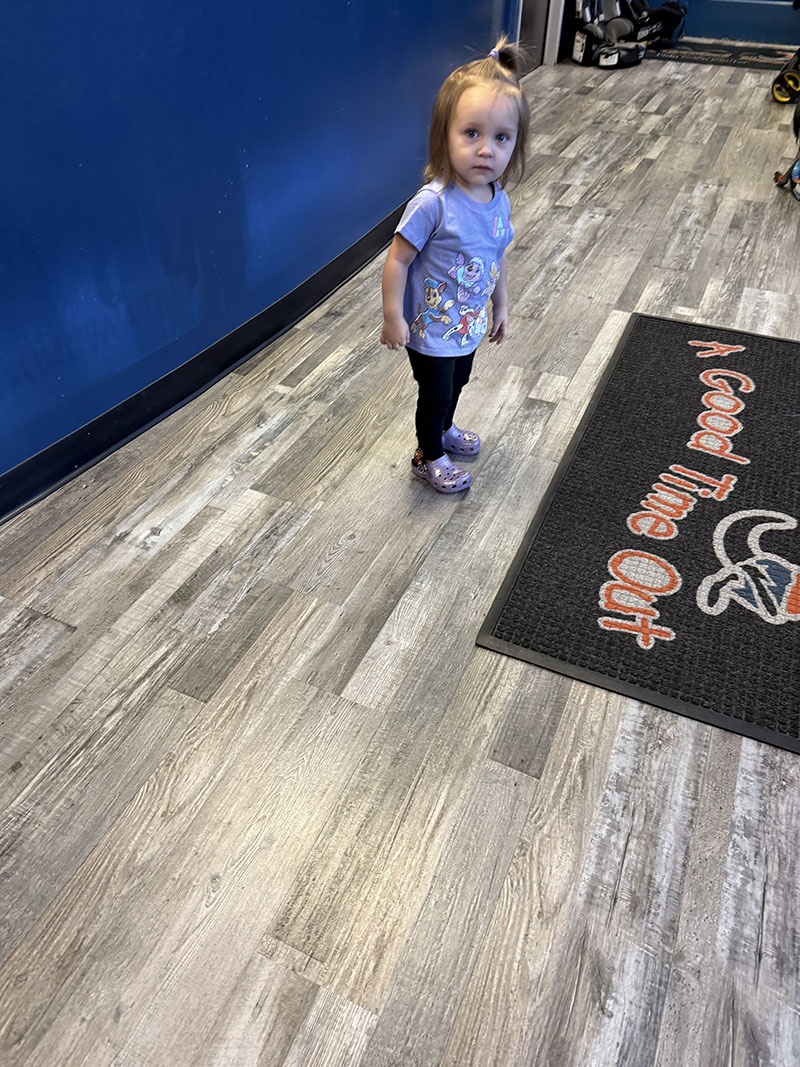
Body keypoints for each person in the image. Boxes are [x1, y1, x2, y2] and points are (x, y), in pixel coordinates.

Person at [380, 38, 530, 493]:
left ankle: (444, 430)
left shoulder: (497, 200)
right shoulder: (434, 203)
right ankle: (428, 455)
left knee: (459, 380)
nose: (486, 150)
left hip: (466, 323)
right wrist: (392, 316)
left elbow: (497, 256)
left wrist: (500, 307)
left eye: (501, 137)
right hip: (429, 327)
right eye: (471, 133)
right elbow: (397, 259)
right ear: (443, 135)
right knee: (436, 392)